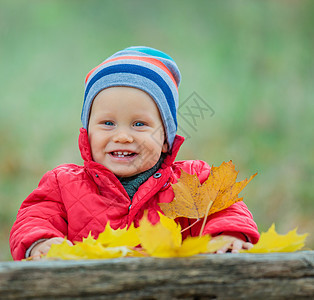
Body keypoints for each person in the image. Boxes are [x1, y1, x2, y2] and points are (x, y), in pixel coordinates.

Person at [10, 46, 260, 260]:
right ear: (87, 134)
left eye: (139, 124)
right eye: (107, 123)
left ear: (165, 139)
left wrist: (228, 236)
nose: (123, 136)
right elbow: (35, 217)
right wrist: (41, 242)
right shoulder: (63, 184)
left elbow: (228, 208)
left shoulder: (192, 180)